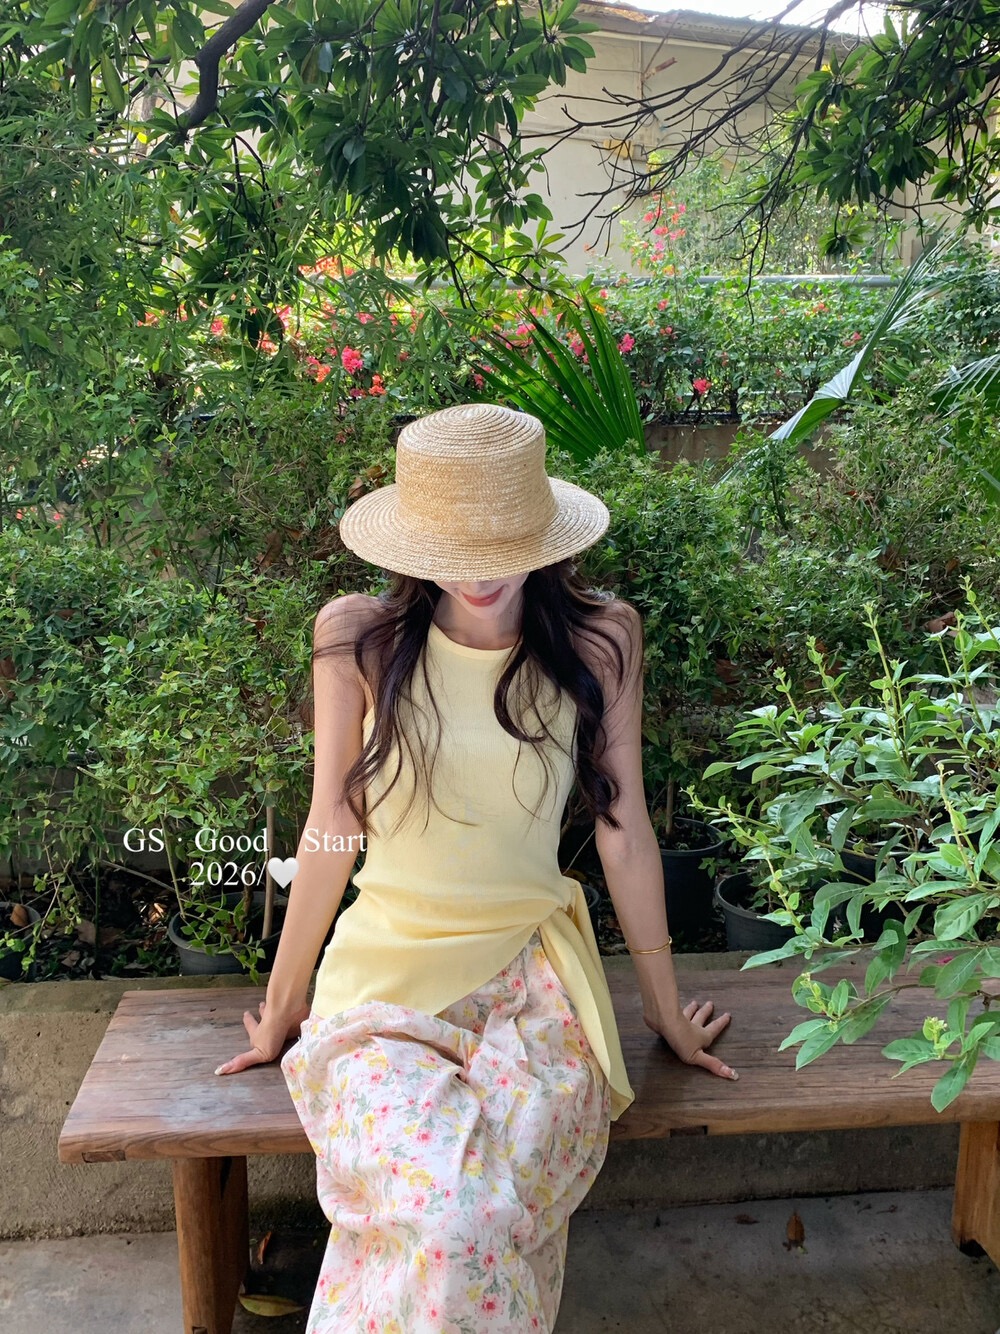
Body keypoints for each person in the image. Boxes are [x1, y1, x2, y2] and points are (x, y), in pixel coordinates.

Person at [215, 403, 737, 1332]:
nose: (479, 570)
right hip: (383, 992)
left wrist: (660, 1008)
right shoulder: (359, 639)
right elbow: (331, 824)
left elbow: (622, 829)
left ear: (545, 534)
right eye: (453, 547)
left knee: (484, 1216)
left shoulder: (601, 639)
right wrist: (285, 1003)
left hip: (535, 987)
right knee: (449, 1218)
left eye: (504, 542)